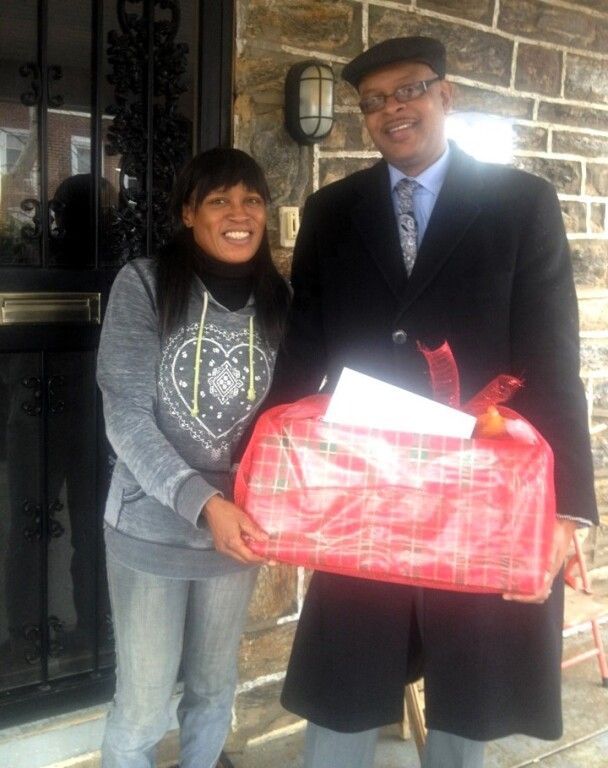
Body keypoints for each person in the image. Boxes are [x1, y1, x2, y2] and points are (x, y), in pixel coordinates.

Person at [268, 37, 599, 768]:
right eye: (374, 102)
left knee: (467, 683)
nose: (392, 110)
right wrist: (260, 469)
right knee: (344, 677)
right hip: (364, 482)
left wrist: (567, 508)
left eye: (408, 91)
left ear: (445, 95)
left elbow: (552, 359)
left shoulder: (522, 203)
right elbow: (303, 350)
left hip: (480, 484)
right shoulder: (331, 210)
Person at [96, 147, 290, 768]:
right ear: (188, 213)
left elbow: (293, 415)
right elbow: (124, 414)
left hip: (240, 534)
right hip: (152, 528)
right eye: (219, 200)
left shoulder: (282, 298)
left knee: (212, 688)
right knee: (145, 703)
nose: (239, 213)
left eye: (252, 200)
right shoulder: (146, 284)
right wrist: (203, 503)